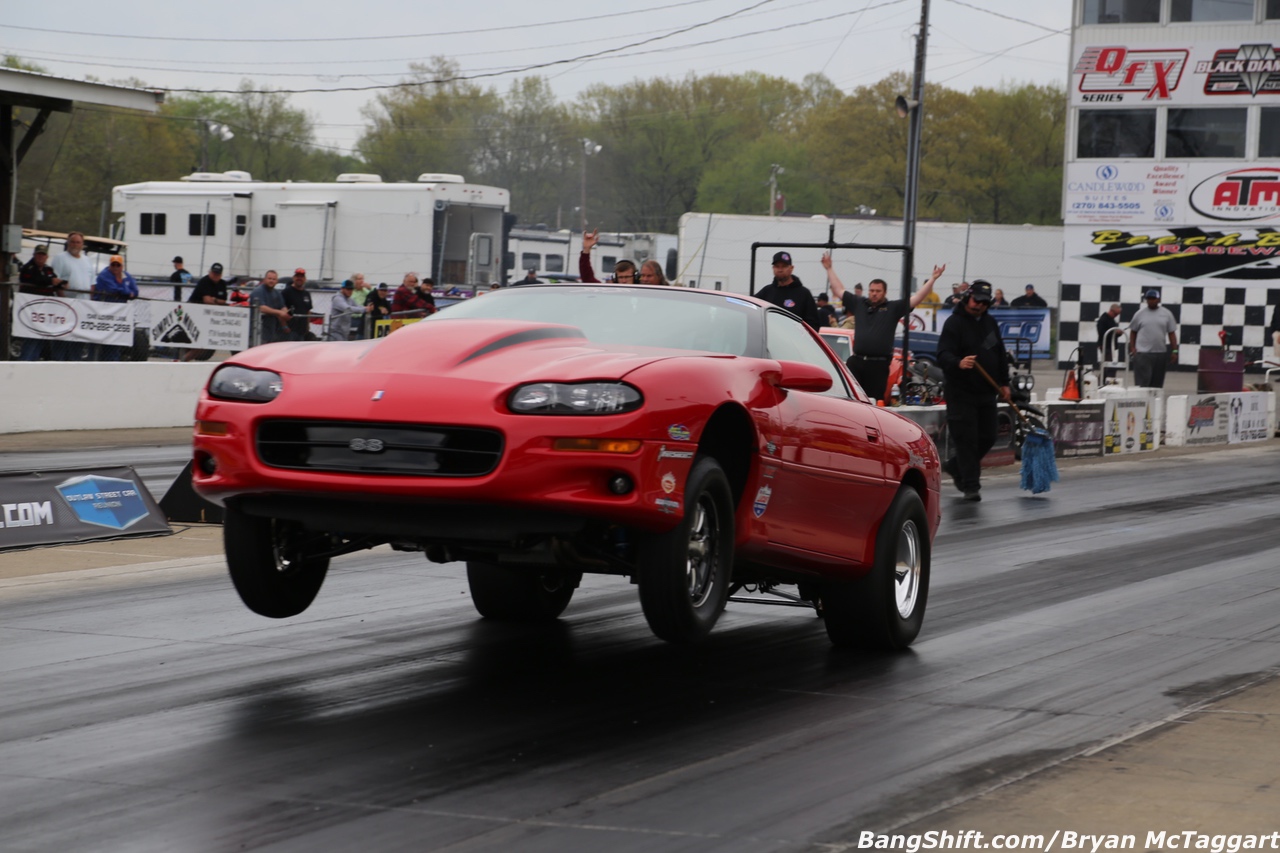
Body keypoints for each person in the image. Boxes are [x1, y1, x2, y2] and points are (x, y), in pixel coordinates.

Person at [823, 252, 945, 402]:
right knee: (851, 399)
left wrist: (932, 279)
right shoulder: (859, 304)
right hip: (857, 361)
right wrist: (829, 269)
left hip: (879, 364)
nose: (874, 294)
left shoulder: (893, 308)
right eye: (872, 291)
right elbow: (838, 290)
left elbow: (916, 299)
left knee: (875, 400)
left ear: (885, 292)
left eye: (878, 291)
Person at [937, 281, 1011, 502]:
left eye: (984, 302)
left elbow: (1000, 354)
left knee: (988, 436)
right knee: (966, 439)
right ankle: (971, 486)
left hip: (986, 392)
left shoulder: (990, 323)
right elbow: (942, 355)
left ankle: (954, 466)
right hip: (961, 392)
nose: (978, 305)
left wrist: (1005, 383)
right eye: (976, 300)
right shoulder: (954, 323)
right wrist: (958, 363)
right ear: (968, 297)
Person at [18, 245, 65, 361]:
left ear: (47, 257)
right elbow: (33, 280)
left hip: (45, 312)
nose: (40, 257)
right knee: (30, 341)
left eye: (43, 255)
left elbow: (55, 281)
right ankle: (24, 364)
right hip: (31, 311)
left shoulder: (48, 270)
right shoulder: (27, 268)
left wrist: (61, 283)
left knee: (41, 341)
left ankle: (33, 365)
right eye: (38, 254)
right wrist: (50, 281)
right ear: (34, 255)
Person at [755, 251, 821, 331]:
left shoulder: (803, 294)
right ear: (773, 268)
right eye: (777, 266)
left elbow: (813, 324)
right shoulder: (766, 292)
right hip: (770, 340)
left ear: (791, 268)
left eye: (784, 266)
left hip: (794, 341)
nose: (780, 269)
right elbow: (753, 312)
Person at [92, 255, 139, 361]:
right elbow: (113, 289)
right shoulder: (104, 275)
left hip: (119, 314)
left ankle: (113, 362)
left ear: (122, 266)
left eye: (118, 265)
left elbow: (135, 291)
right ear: (110, 265)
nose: (116, 267)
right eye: (113, 264)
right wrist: (127, 292)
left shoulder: (126, 275)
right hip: (104, 312)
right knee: (101, 341)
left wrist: (125, 291)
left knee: (115, 341)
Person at [1128, 289, 1178, 388]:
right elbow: (1133, 332)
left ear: (1158, 299)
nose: (1151, 301)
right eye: (1149, 299)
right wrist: (1132, 348)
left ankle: (1156, 401)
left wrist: (1174, 350)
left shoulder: (1167, 314)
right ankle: (1143, 401)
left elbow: (1171, 333)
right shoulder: (1139, 314)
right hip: (1143, 353)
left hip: (1160, 353)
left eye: (1153, 298)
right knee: (1143, 382)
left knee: (1157, 383)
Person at [181, 262, 230, 361]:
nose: (215, 276)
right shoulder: (205, 281)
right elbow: (207, 301)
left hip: (207, 317)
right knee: (193, 342)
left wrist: (215, 300)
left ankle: (184, 360)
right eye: (214, 273)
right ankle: (182, 360)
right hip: (193, 314)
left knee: (202, 344)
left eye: (218, 274)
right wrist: (217, 302)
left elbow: (223, 300)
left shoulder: (222, 284)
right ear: (210, 272)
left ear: (221, 274)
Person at [249, 270, 290, 345]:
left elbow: (282, 306)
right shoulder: (258, 291)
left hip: (271, 332)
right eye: (269, 278)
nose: (271, 281)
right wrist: (279, 312)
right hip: (257, 331)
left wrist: (286, 313)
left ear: (277, 281)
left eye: (274, 279)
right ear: (264, 279)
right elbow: (261, 308)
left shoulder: (276, 292)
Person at [282, 268, 315, 341]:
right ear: (293, 278)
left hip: (302, 331)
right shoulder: (286, 292)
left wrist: (307, 326)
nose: (299, 278)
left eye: (301, 277)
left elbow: (308, 311)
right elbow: (281, 309)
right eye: (297, 276)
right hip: (290, 331)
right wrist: (284, 326)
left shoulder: (306, 294)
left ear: (305, 279)